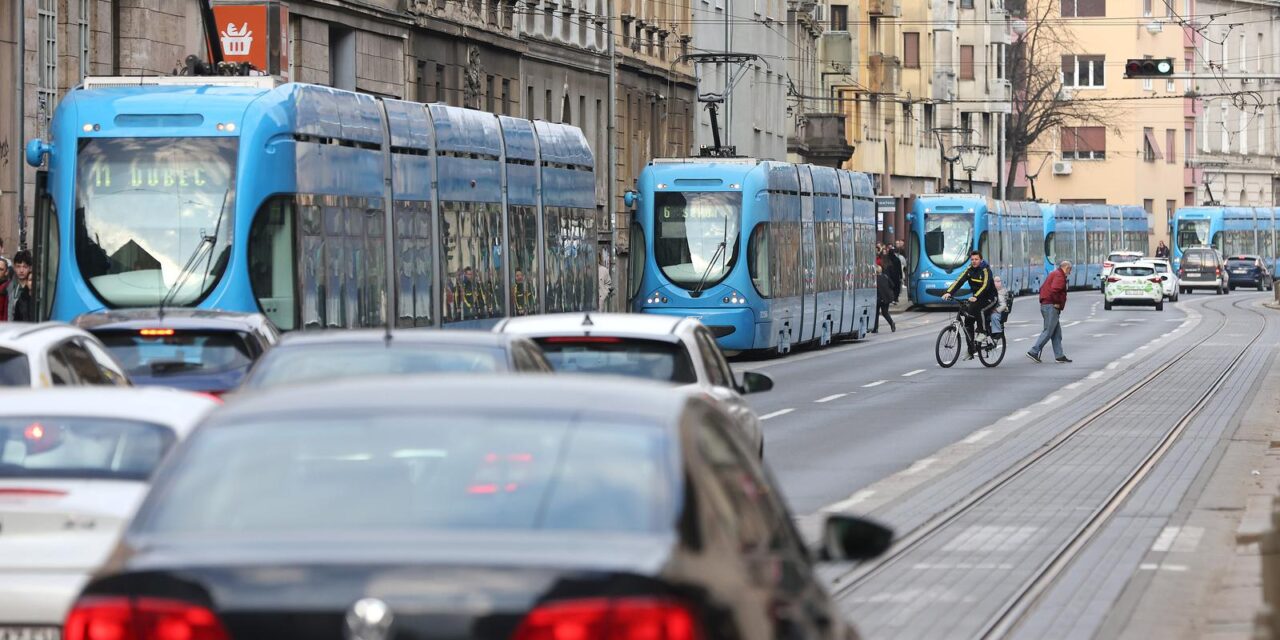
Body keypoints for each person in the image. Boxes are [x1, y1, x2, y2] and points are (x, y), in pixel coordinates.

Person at [941, 250, 996, 360]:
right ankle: (971, 349)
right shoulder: (969, 269)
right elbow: (959, 281)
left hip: (990, 298)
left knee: (980, 310)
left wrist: (976, 296)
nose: (974, 261)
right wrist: (949, 292)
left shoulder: (986, 270)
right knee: (968, 320)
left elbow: (985, 286)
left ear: (980, 260)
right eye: (972, 260)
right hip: (976, 298)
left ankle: (983, 332)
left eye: (976, 259)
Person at [1027, 260, 1073, 364]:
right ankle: (1033, 351)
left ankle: (1059, 355)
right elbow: (1054, 290)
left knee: (1057, 333)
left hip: (1048, 305)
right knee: (1048, 331)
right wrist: (1057, 302)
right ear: (1066, 268)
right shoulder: (1059, 276)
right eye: (1069, 270)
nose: (1069, 273)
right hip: (1051, 306)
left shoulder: (1055, 274)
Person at [8, 250, 34, 322]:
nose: (21, 270)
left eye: (25, 267)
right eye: (18, 266)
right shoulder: (9, 288)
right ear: (14, 267)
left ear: (30, 268)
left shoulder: (33, 288)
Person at [872, 265, 896, 333]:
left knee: (876, 313)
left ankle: (875, 328)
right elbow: (892, 285)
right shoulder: (885, 276)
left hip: (878, 298)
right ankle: (892, 323)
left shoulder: (874, 278)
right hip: (886, 298)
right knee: (885, 313)